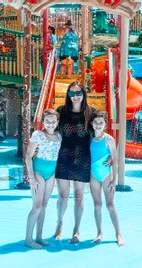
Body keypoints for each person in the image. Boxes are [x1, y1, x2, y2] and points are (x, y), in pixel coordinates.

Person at [54, 82, 95, 243]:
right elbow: (51, 130)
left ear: (83, 94)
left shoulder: (91, 113)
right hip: (64, 158)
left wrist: (111, 153)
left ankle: (76, 230)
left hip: (82, 159)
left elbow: (100, 134)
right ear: (68, 95)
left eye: (78, 93)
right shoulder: (61, 112)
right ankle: (59, 223)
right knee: (63, 196)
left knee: (79, 196)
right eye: (71, 93)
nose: (75, 96)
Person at [24, 108, 61, 249]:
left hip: (51, 173)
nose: (50, 124)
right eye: (47, 121)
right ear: (43, 122)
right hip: (38, 172)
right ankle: (28, 239)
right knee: (37, 206)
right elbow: (28, 156)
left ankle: (39, 237)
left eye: (53, 121)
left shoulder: (59, 136)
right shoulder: (38, 135)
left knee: (44, 205)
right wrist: (31, 178)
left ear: (57, 122)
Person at [90, 111, 125, 246]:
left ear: (105, 124)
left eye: (101, 123)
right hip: (93, 175)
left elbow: (115, 160)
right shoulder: (89, 139)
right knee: (97, 205)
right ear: (92, 124)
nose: (98, 125)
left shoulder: (109, 139)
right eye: (96, 122)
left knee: (110, 205)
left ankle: (118, 234)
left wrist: (114, 180)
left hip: (106, 176)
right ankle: (99, 233)